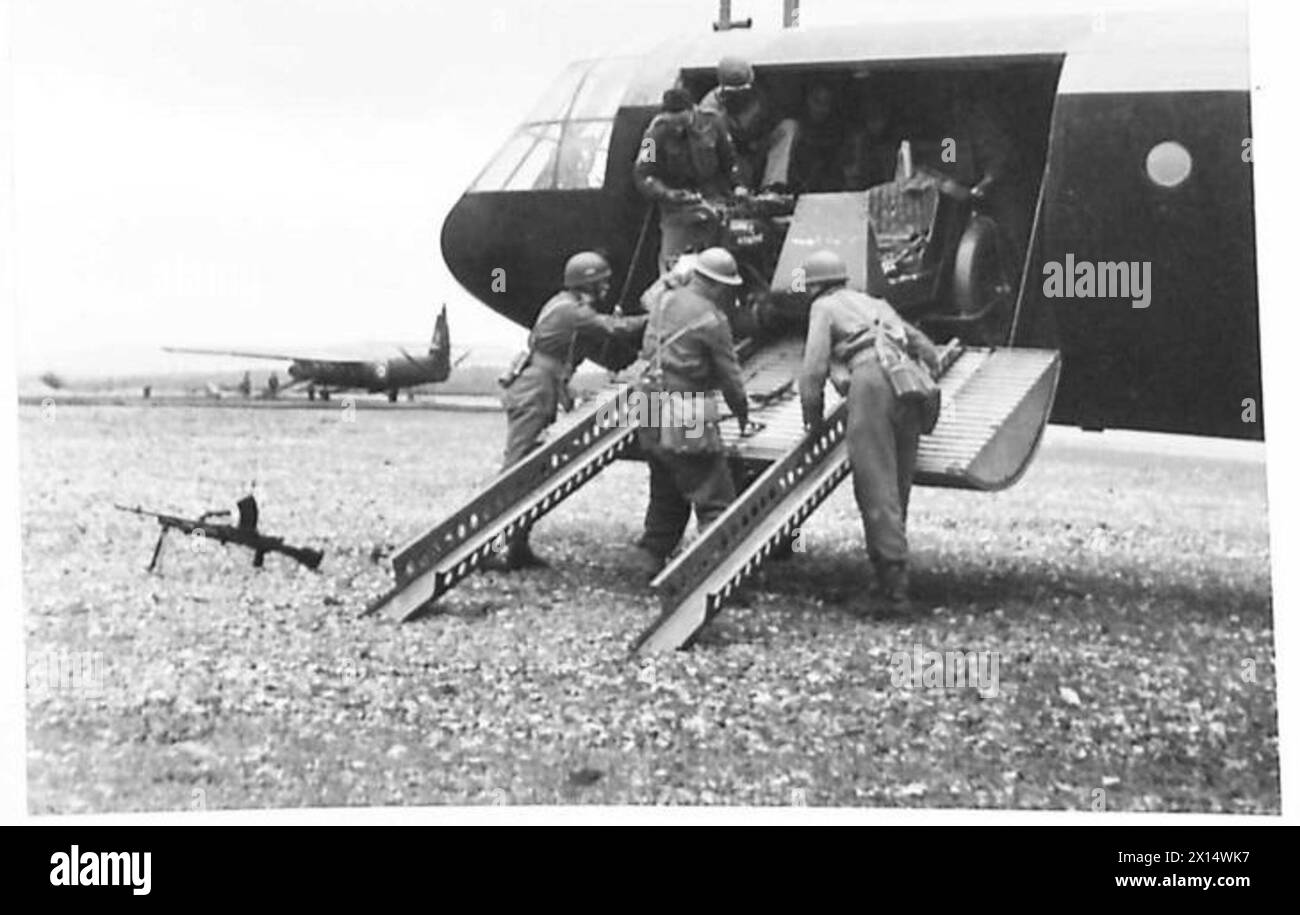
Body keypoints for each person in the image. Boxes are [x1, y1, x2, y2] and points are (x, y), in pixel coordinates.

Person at [797, 249, 940, 614]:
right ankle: (891, 574)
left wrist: (812, 425)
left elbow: (811, 373)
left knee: (874, 482)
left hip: (872, 382)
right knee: (897, 483)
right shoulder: (875, 302)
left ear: (813, 286)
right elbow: (927, 349)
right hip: (909, 383)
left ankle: (893, 593)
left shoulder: (824, 308)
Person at [494, 251, 648, 569]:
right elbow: (615, 329)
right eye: (602, 282)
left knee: (530, 470)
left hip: (542, 386)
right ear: (588, 283)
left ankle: (516, 546)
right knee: (516, 471)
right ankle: (494, 548)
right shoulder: (570, 311)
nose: (607, 287)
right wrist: (655, 318)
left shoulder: (565, 304)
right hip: (536, 388)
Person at [634, 247, 750, 571]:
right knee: (713, 490)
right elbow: (730, 376)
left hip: (649, 403)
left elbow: (649, 295)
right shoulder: (712, 319)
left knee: (665, 483)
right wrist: (742, 412)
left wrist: (673, 275)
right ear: (719, 285)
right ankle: (719, 572)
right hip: (687, 408)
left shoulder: (662, 300)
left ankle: (651, 555)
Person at [634, 88, 747, 273]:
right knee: (672, 263)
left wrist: (738, 187)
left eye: (682, 120)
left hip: (714, 199)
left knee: (724, 257)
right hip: (677, 206)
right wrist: (667, 193)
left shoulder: (713, 122)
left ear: (692, 110)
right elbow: (644, 174)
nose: (677, 127)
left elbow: (730, 161)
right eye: (672, 121)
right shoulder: (653, 135)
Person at [699, 56, 788, 190]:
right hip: (735, 158)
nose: (738, 95)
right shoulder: (709, 112)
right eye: (732, 91)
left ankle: (773, 187)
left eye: (743, 89)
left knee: (788, 127)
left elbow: (774, 117)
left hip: (759, 147)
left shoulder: (760, 95)